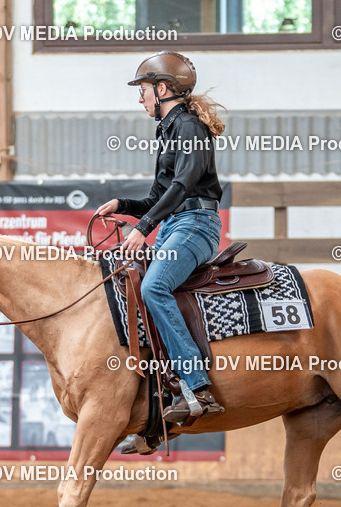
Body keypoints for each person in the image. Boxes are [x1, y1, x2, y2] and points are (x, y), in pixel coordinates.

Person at [96, 51, 227, 423]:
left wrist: (141, 228)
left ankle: (197, 385)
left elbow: (184, 184)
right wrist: (123, 205)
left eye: (144, 90)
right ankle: (156, 403)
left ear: (163, 89)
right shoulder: (168, 129)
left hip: (196, 226)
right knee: (135, 290)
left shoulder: (189, 128)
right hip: (175, 225)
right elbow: (159, 197)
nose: (141, 98)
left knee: (153, 288)